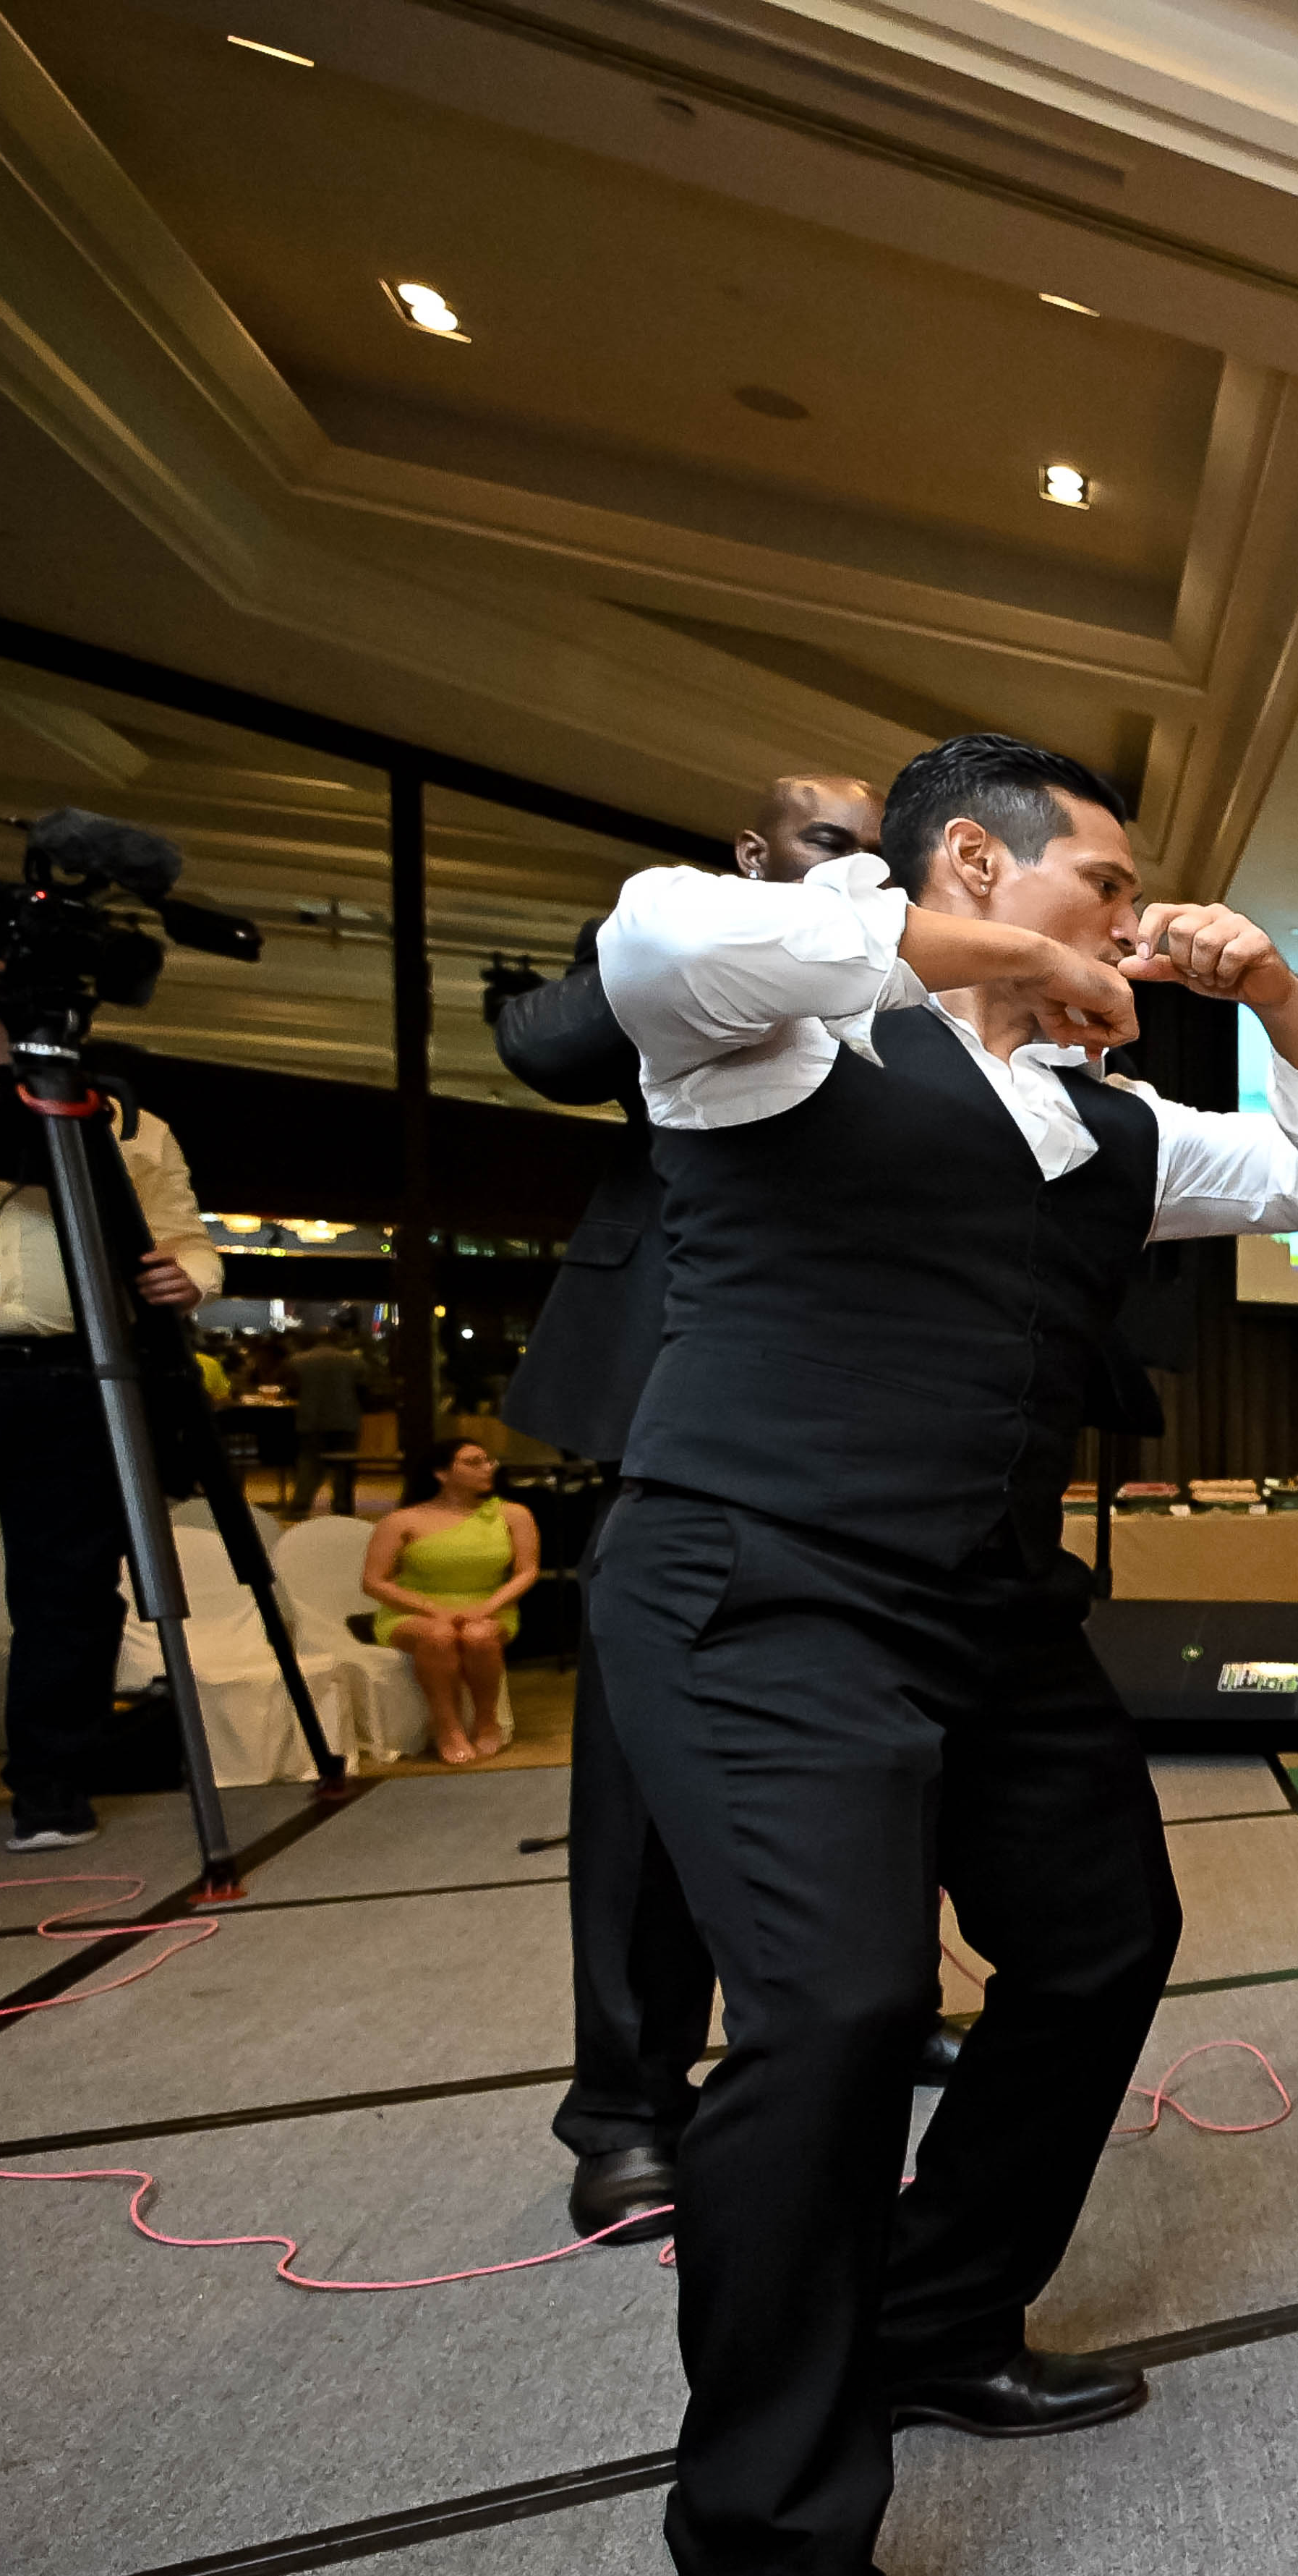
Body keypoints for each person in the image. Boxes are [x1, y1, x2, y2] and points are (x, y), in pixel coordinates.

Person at [586, 731, 1298, 2576]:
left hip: (984, 1607)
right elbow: (655, 936)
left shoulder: (1113, 1128)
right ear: (973, 856)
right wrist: (963, 954)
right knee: (842, 2007)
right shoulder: (781, 1039)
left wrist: (1282, 1002)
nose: (1137, 915)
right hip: (759, 1585)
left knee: (1104, 1938)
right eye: (1109, 882)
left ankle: (941, 2318)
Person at [496, 768, 880, 2241]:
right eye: (827, 847)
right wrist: (783, 925)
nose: (858, 876)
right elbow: (543, 1042)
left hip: (871, 1413)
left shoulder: (920, 978)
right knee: (652, 1792)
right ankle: (628, 2109)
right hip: (693, 1417)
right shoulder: (690, 944)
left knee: (882, 1766)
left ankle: (860, 2022)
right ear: (754, 853)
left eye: (876, 858)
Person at [0, 989, 226, 1853]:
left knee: (67, 1590)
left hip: (77, 1377)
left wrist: (192, 1277)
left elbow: (187, 1236)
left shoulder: (121, 1113)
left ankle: (52, 1784)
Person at [356, 1434, 538, 1761]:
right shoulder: (402, 1520)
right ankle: (448, 1727)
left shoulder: (513, 1514)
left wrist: (488, 1607)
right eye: (473, 1462)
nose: (487, 1468)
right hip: (413, 1609)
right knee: (438, 1636)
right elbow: (373, 1582)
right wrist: (431, 1609)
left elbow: (527, 1571)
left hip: (488, 1605)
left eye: (488, 1461)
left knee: (479, 1635)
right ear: (441, 1473)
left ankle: (486, 1722)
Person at [283, 1321, 370, 1518]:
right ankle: (342, 1507)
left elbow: (292, 1388)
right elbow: (364, 1388)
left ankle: (300, 1505)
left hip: (310, 1419)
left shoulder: (299, 1360)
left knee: (309, 1464)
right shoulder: (353, 1361)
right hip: (345, 1419)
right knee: (344, 1467)